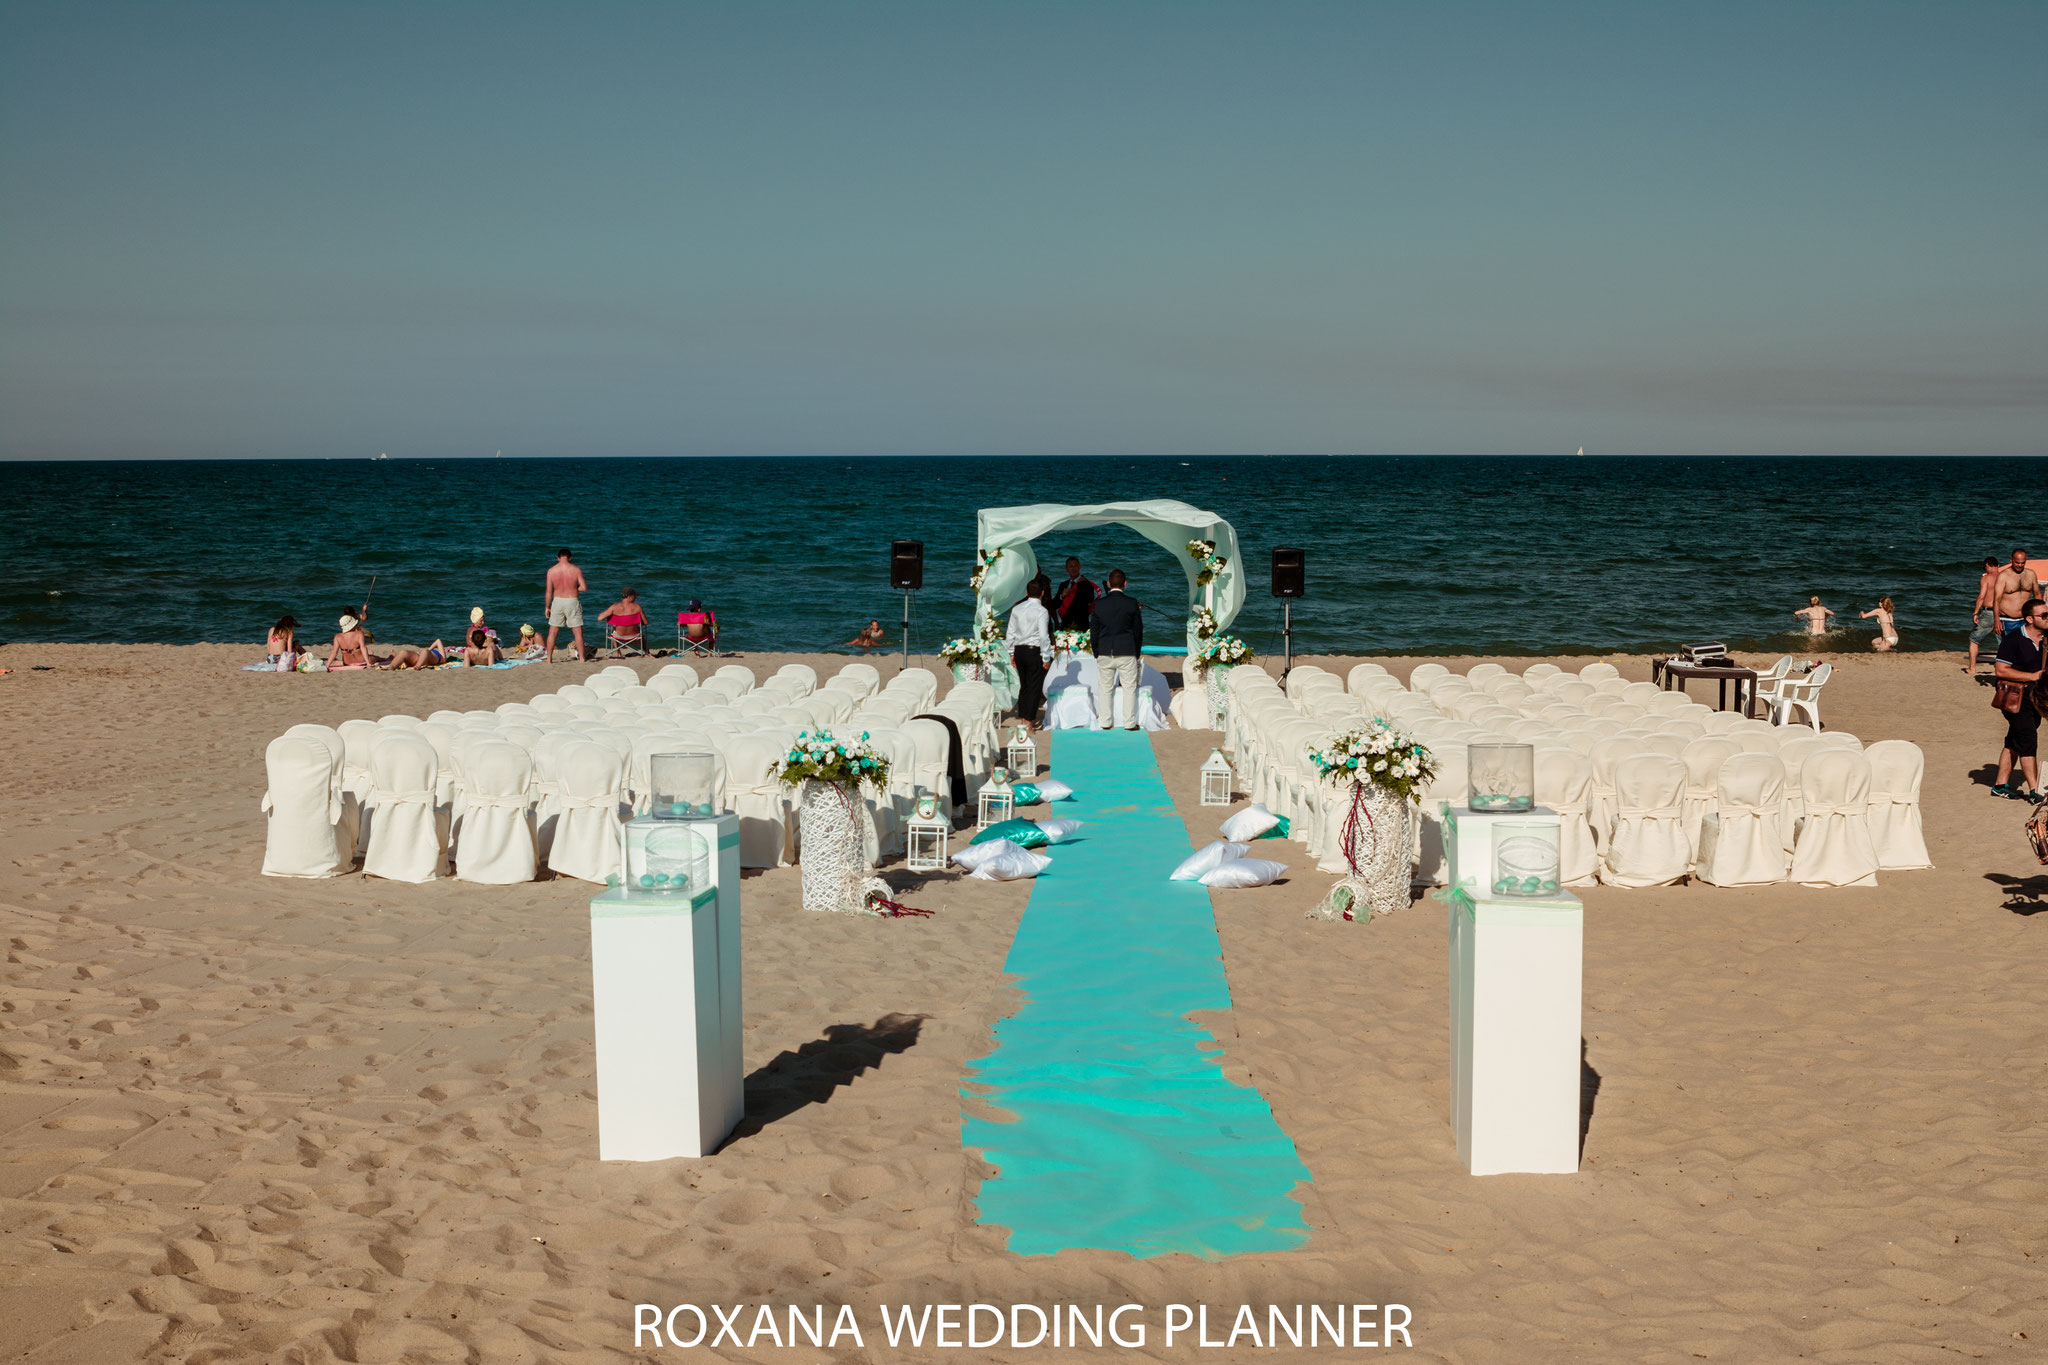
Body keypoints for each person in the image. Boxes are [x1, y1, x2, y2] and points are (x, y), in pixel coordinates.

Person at [1992, 598, 2048, 801]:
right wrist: (2032, 676)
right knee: (2027, 739)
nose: (2047, 618)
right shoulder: (2014, 639)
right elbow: (2000, 669)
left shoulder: (2046, 640)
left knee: (2014, 740)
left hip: (2037, 699)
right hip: (2015, 697)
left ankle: (1999, 785)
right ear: (2029, 619)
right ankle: (2035, 790)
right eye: (2044, 615)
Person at [1088, 569, 1143, 731]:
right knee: (1129, 687)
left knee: (1104, 687)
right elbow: (1138, 630)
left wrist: (1096, 650)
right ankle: (1129, 722)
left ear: (1109, 583)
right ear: (1125, 584)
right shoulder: (1132, 603)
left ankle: (1105, 721)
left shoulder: (1099, 603)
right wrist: (1137, 651)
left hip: (1105, 650)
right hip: (1127, 650)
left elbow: (1094, 630)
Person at [1005, 581, 1052, 727]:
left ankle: (1024, 719)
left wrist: (1011, 652)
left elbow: (1010, 633)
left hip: (1019, 650)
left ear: (1026, 592)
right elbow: (1044, 636)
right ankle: (1029, 722)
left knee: (1024, 685)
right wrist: (1046, 656)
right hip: (1033, 651)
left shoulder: (1017, 608)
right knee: (1034, 687)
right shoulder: (1042, 611)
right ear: (1042, 593)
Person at [543, 548, 588, 663]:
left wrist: (547, 607)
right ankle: (582, 659)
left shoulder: (551, 571)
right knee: (577, 631)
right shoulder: (575, 570)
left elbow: (548, 592)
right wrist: (574, 587)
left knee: (553, 631)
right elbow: (584, 588)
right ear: (570, 557)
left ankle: (549, 659)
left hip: (558, 601)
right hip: (572, 600)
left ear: (558, 558)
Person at [1968, 556, 2000, 673]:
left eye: (1984, 567)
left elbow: (1981, 597)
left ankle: (1972, 668)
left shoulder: (1986, 578)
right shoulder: (2006, 577)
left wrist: (1975, 613)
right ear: (1998, 565)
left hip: (1989, 612)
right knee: (2002, 642)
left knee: (1974, 640)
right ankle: (2002, 667)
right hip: (2003, 613)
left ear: (1987, 565)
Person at [1995, 549, 2038, 635]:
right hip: (2008, 620)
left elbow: (2037, 595)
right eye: (2017, 563)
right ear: (2011, 559)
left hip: (2026, 619)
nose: (2020, 565)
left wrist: (2041, 615)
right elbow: (1997, 599)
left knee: (2027, 646)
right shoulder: (2003, 576)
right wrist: (1996, 620)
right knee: (2008, 647)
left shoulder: (2031, 574)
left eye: (2023, 563)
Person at [1051, 557, 1098, 630]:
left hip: (1081, 625)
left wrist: (1081, 585)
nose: (1073, 569)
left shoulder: (1087, 584)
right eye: (1071, 566)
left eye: (1075, 566)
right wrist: (1061, 596)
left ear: (1079, 567)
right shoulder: (1063, 585)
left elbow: (1090, 601)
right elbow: (1054, 605)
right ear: (1066, 568)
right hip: (1065, 625)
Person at [599, 587, 648, 654]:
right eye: (634, 596)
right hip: (633, 635)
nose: (635, 598)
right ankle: (647, 652)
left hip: (619, 635)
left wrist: (611, 615)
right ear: (630, 597)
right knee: (639, 630)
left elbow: (600, 618)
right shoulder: (637, 607)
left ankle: (618, 653)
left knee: (613, 629)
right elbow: (646, 622)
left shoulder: (614, 607)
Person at [385, 639, 452, 669]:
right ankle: (391, 667)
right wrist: (430, 649)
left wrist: (429, 650)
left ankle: (417, 666)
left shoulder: (442, 658)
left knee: (424, 651)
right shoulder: (438, 654)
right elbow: (438, 641)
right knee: (403, 652)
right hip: (419, 657)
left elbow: (438, 641)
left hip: (426, 659)